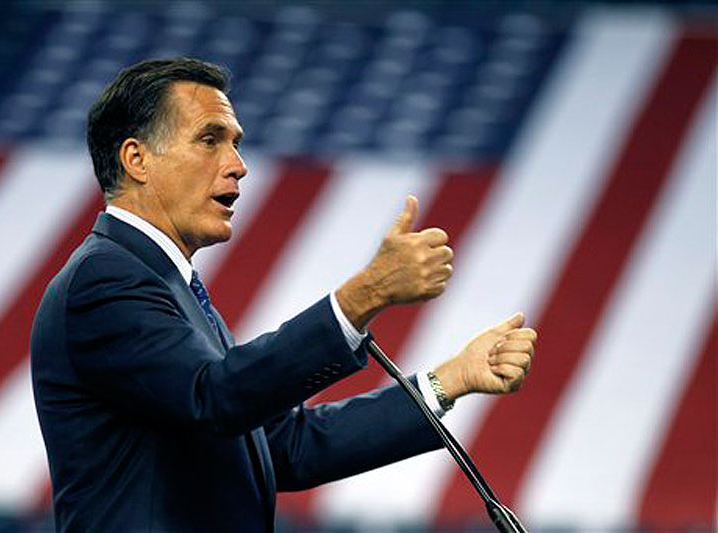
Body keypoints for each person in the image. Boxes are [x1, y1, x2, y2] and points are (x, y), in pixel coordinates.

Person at [30, 57, 536, 532]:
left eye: (235, 142)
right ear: (137, 158)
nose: (238, 164)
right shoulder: (106, 280)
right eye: (210, 140)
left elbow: (286, 447)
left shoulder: (166, 285)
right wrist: (366, 294)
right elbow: (217, 396)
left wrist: (451, 379)